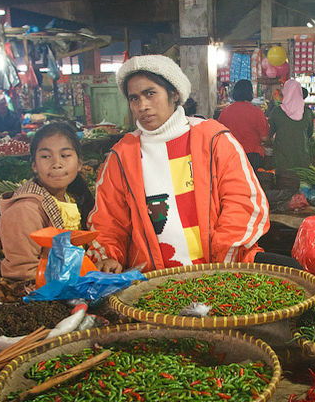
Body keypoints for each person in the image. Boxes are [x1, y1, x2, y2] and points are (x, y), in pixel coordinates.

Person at [87, 55, 271, 273]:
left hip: (221, 273)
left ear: (174, 93)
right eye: (134, 98)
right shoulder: (122, 155)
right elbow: (109, 220)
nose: (142, 106)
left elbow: (243, 202)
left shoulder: (213, 139)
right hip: (151, 283)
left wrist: (219, 265)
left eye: (150, 93)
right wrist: (108, 255)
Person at [0, 121, 95, 281]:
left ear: (79, 164)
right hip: (48, 297)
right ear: (34, 165)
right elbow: (22, 273)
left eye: (65, 155)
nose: (56, 164)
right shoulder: (25, 211)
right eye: (46, 156)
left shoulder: (70, 198)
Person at [267, 78, 313, 191]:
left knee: (284, 188)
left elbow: (269, 133)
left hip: (283, 160)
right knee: (301, 190)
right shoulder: (307, 113)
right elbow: (310, 134)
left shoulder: (277, 112)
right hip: (302, 158)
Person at [217, 79, 270, 172]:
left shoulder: (225, 112)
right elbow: (264, 137)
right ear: (250, 93)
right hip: (253, 156)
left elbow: (219, 135)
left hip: (231, 155)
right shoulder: (257, 112)